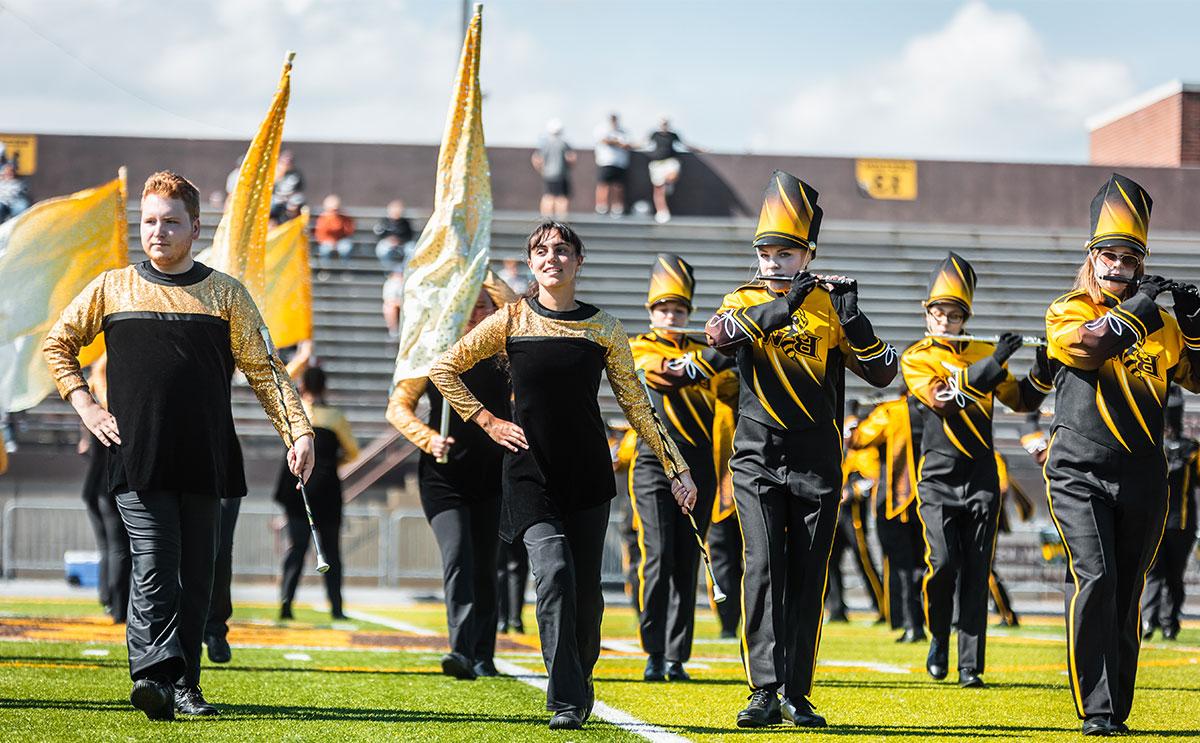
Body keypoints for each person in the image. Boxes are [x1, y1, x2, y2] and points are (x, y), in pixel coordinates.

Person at [43, 170, 313, 721]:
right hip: (137, 459)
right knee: (155, 565)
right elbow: (58, 344)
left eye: (170, 222)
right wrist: (86, 405)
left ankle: (185, 685)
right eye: (149, 222)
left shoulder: (226, 293)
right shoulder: (112, 286)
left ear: (195, 227)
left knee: (196, 577)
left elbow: (266, 371)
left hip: (206, 458)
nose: (157, 232)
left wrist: (299, 430)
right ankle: (153, 677)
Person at [429, 220, 696, 730]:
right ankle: (566, 699)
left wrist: (676, 468)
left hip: (589, 475)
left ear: (578, 261)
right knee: (552, 574)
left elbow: (639, 407)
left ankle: (579, 677)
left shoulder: (604, 328)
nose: (551, 257)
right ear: (531, 264)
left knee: (586, 595)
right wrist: (487, 421)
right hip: (529, 474)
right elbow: (444, 369)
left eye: (562, 250)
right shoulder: (510, 319)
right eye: (541, 251)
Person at [705, 171, 897, 728]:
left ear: (806, 252)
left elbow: (884, 372)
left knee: (809, 573)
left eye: (784, 252)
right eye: (765, 252)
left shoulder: (830, 307)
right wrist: (792, 300)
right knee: (762, 566)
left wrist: (853, 318)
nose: (772, 261)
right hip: (757, 458)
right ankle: (763, 689)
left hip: (817, 461)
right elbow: (719, 337)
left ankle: (797, 692)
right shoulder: (740, 300)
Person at [1043, 173, 1200, 736]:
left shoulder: (1159, 323)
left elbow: (1198, 376)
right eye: (1107, 255)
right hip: (1077, 469)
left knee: (1128, 586)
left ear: (1140, 262)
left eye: (1128, 258)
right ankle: (1098, 709)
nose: (1116, 265)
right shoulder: (1067, 309)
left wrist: (1195, 324)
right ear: (1092, 258)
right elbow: (1091, 348)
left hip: (1143, 473)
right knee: (1098, 576)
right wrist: (1140, 304)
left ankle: (1117, 708)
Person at [900, 252, 1052, 690]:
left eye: (954, 314)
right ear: (927, 315)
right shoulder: (917, 357)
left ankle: (971, 665)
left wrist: (1042, 367)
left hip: (981, 475)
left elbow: (1022, 401)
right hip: (938, 478)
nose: (945, 321)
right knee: (944, 563)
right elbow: (944, 399)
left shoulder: (984, 351)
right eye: (939, 313)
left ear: (966, 317)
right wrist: (992, 363)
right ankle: (937, 638)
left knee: (977, 568)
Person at [387, 275, 516, 679]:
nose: (477, 313)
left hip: (493, 474)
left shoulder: (505, 353)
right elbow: (398, 407)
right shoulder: (434, 351)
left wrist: (476, 261)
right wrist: (428, 439)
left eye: (484, 305)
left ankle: (484, 653)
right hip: (444, 477)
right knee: (458, 556)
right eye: (469, 305)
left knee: (487, 566)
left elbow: (516, 308)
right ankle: (461, 651)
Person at [627, 254, 738, 682]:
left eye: (678, 310)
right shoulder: (640, 346)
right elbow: (671, 376)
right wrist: (725, 350)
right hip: (654, 466)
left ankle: (676, 656)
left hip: (701, 465)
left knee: (687, 560)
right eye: (664, 309)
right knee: (657, 557)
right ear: (651, 312)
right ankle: (653, 651)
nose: (671, 316)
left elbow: (732, 393)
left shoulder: (703, 350)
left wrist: (742, 355)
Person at [276, 365, 357, 622]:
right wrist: (332, 464)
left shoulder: (295, 414)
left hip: (299, 491)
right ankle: (336, 607)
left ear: (303, 386)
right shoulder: (335, 417)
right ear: (324, 386)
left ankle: (286, 604)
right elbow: (353, 452)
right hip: (328, 491)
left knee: (296, 549)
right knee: (332, 552)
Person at [850, 390, 929, 643]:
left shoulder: (891, 412)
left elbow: (858, 440)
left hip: (896, 501)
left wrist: (852, 415)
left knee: (902, 566)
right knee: (924, 563)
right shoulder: (937, 410)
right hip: (931, 498)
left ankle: (911, 624)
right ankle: (930, 621)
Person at [1141, 388, 1198, 641]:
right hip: (1156, 518)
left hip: (1182, 522)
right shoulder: (1153, 446)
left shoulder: (1192, 449)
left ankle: (1169, 622)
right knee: (1153, 572)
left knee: (1174, 575)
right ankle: (1148, 620)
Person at [78, 356, 130, 624]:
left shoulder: (96, 410)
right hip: (107, 487)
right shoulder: (111, 415)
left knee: (110, 547)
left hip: (95, 489)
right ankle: (119, 607)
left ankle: (109, 598)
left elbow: (84, 448)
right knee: (119, 548)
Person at [825, 406, 886, 623]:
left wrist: (851, 492)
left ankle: (882, 607)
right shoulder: (833, 444)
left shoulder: (863, 450)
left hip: (853, 513)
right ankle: (837, 609)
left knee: (864, 561)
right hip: (834, 513)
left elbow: (871, 479)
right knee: (830, 562)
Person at [645, 118, 703, 224]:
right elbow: (643, 143)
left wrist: (700, 149)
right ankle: (662, 212)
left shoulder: (673, 135)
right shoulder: (654, 135)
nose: (664, 125)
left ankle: (667, 183)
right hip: (657, 164)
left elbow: (685, 145)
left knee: (672, 176)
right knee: (659, 190)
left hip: (670, 162)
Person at [531, 120, 575, 218]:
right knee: (561, 197)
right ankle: (562, 221)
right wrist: (569, 168)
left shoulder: (544, 144)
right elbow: (571, 158)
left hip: (548, 174)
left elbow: (536, 159)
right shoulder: (564, 144)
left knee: (548, 196)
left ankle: (546, 220)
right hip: (561, 174)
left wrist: (542, 170)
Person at [593, 113, 631, 216]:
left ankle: (617, 207)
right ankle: (601, 206)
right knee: (603, 184)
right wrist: (617, 142)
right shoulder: (601, 129)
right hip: (606, 161)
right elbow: (604, 140)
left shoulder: (623, 131)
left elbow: (627, 144)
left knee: (618, 186)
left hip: (620, 163)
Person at [314, 194, 356, 276]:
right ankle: (325, 271)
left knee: (345, 248)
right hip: (327, 241)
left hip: (341, 241)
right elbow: (320, 235)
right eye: (332, 210)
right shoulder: (323, 219)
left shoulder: (344, 217)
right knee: (325, 249)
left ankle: (345, 271)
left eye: (336, 209)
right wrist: (331, 241)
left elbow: (349, 231)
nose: (334, 212)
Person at [374, 199, 415, 273]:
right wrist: (389, 239)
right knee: (382, 249)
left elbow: (409, 235)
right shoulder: (384, 221)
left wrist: (399, 240)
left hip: (402, 244)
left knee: (411, 248)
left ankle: (406, 269)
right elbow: (379, 234)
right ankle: (389, 270)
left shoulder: (405, 222)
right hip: (388, 243)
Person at [270, 150, 305, 221]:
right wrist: (279, 175)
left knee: (296, 202)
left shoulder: (296, 174)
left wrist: (290, 198)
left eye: (288, 162)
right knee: (273, 205)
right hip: (276, 197)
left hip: (290, 198)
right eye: (284, 162)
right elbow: (271, 189)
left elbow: (299, 189)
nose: (286, 164)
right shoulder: (274, 173)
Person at [382, 270, 405, 340]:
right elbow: (389, 299)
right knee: (388, 308)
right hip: (398, 305)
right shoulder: (392, 283)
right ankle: (394, 332)